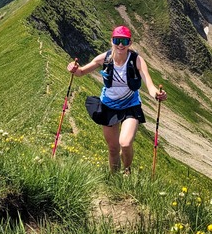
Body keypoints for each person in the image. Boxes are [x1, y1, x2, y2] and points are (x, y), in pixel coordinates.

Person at [67, 25, 167, 174]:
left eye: (125, 41)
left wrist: (157, 94)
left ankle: (127, 170)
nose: (121, 44)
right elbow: (81, 72)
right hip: (108, 106)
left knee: (125, 144)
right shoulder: (104, 58)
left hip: (130, 105)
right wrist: (73, 69)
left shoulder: (137, 60)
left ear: (130, 43)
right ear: (112, 41)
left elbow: (149, 84)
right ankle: (114, 180)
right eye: (117, 40)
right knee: (113, 148)